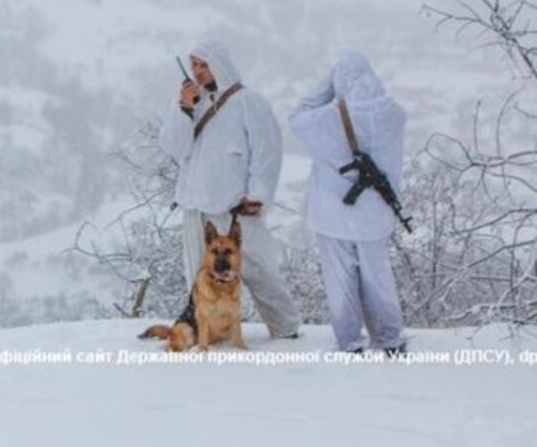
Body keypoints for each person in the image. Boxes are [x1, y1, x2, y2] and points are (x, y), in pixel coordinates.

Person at [159, 40, 301, 339]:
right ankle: (207, 330)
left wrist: (258, 194)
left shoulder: (248, 102)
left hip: (236, 206)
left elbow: (267, 151)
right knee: (200, 275)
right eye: (194, 65)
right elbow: (175, 147)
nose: (198, 72)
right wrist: (184, 109)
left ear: (218, 65)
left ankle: (286, 329)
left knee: (259, 270)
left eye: (204, 65)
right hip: (196, 206)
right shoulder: (191, 104)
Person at [288, 51, 407, 355]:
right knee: (378, 278)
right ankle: (389, 338)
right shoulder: (394, 114)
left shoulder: (326, 120)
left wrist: (328, 86)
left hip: (333, 215)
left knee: (340, 282)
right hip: (376, 215)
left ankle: (350, 341)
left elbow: (297, 115)